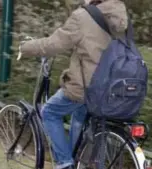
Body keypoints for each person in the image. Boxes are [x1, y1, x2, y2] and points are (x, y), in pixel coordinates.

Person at [20, 0, 128, 168]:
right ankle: (79, 162)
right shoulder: (120, 17)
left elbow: (53, 44)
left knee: (49, 112)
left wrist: (25, 47)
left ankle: (64, 162)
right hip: (112, 86)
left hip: (86, 87)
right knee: (79, 117)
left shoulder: (83, 16)